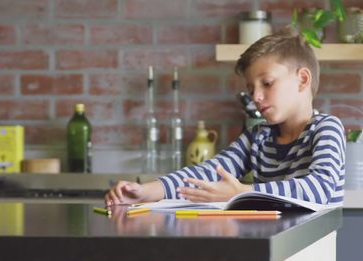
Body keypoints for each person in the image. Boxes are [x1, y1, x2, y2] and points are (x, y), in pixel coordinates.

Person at [105, 27, 346, 207]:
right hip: (271, 248)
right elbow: (208, 172)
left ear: (302, 79)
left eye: (267, 83)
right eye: (251, 90)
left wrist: (241, 192)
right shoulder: (258, 137)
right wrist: (145, 192)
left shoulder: (326, 129)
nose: (256, 97)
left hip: (312, 255)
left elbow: (319, 188)